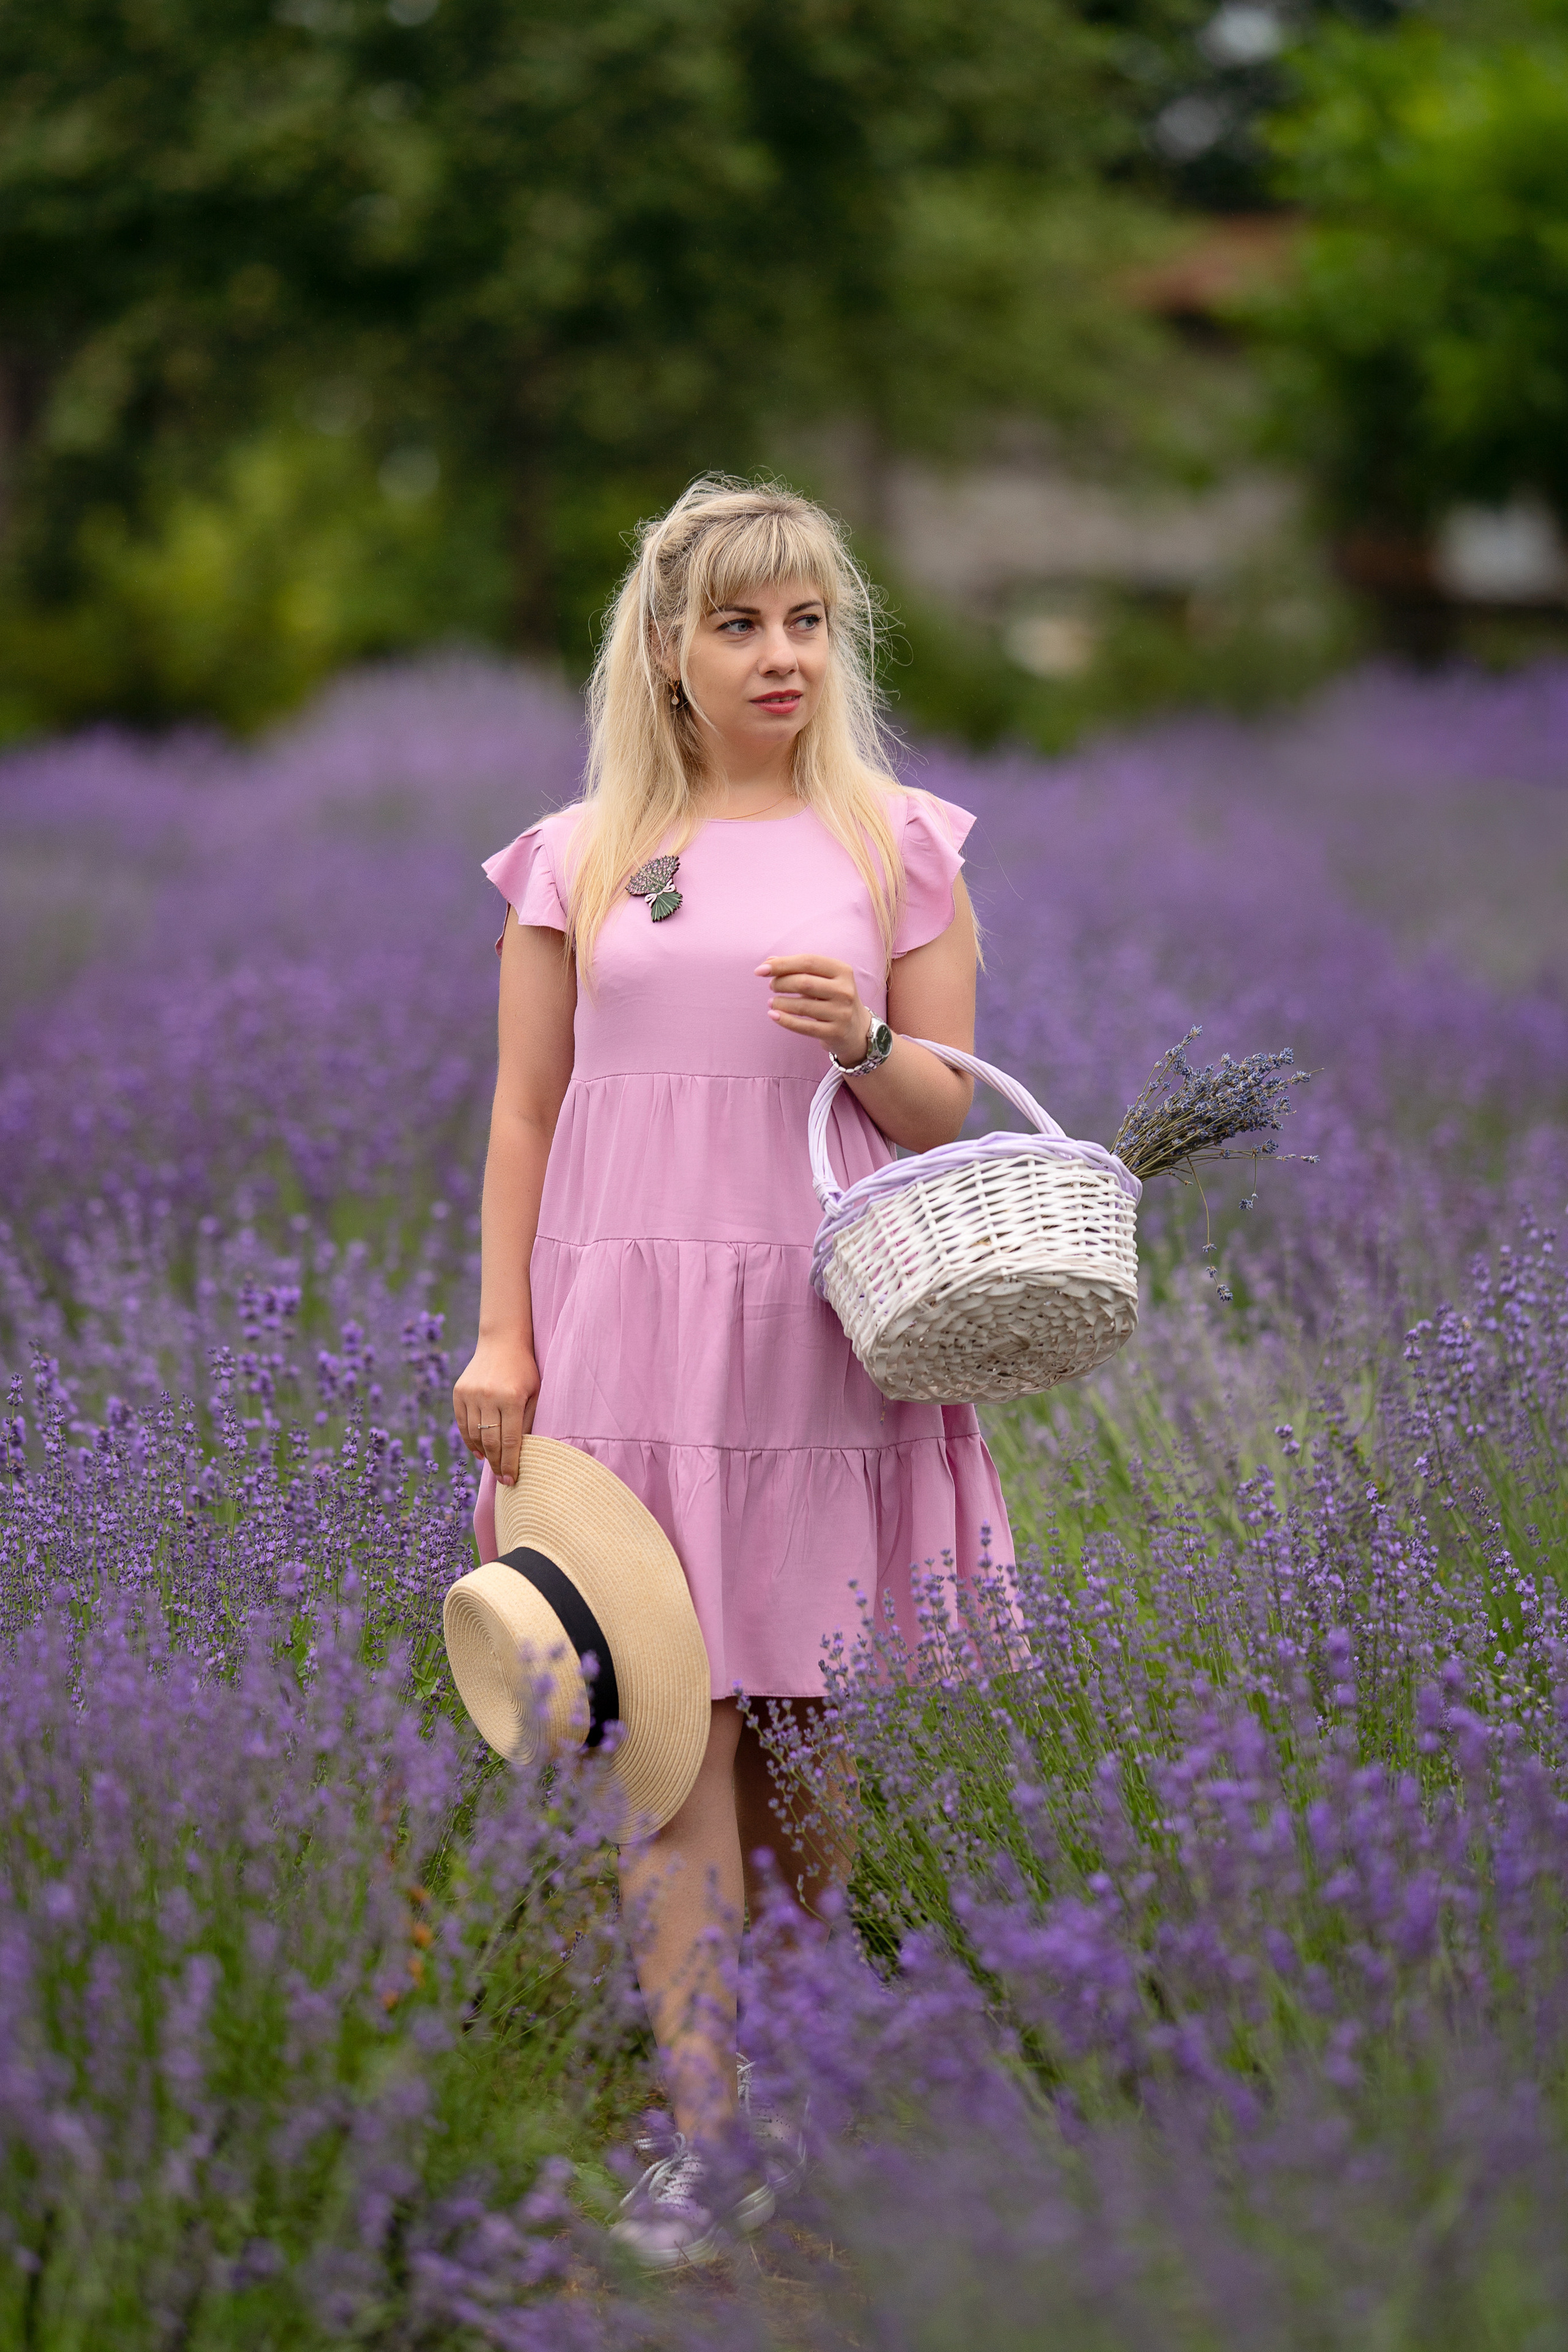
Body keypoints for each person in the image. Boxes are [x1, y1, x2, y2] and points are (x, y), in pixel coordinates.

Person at [453, 476, 1012, 2263]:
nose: (781, 656)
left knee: (799, 1732)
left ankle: (798, 2068)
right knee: (664, 1744)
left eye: (808, 622)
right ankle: (705, 2129)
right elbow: (525, 1110)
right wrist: (501, 1331)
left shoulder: (897, 841)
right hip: (620, 1334)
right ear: (669, 651)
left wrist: (863, 1036)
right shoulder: (579, 854)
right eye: (742, 624)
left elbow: (941, 1110)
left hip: (813, 1329)